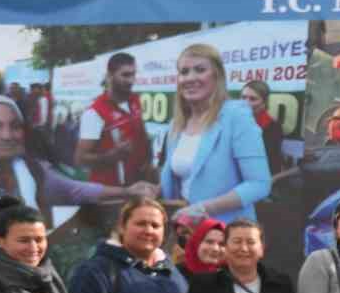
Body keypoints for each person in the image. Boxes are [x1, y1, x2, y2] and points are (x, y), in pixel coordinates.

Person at [0, 95, 156, 289]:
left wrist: (128, 191)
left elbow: (75, 190)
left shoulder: (30, 172)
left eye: (15, 126)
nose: (6, 135)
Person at [159, 44, 271, 223]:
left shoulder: (236, 116)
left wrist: (204, 209)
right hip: (185, 232)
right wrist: (154, 190)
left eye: (200, 70)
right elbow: (185, 182)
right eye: (184, 71)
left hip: (226, 234)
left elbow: (259, 185)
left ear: (217, 76)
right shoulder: (176, 125)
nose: (190, 78)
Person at [76, 53, 152, 187]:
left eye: (133, 74)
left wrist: (147, 159)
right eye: (125, 75)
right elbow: (80, 159)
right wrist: (110, 157)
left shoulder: (135, 100)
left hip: (137, 185)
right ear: (110, 76)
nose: (131, 80)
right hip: (110, 192)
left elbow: (142, 134)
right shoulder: (94, 113)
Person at [241, 79, 286, 176]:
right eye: (243, 97)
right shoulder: (235, 121)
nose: (246, 103)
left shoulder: (273, 127)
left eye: (253, 99)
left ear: (264, 102)